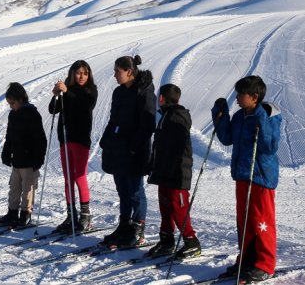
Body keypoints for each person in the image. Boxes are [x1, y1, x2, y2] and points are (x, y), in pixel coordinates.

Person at [212, 76, 281, 283]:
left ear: (254, 97)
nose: (237, 98)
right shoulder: (239, 116)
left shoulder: (269, 116)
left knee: (262, 221)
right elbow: (227, 138)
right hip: (242, 175)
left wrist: (260, 118)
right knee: (244, 221)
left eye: (241, 94)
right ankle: (247, 260)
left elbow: (270, 146)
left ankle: (265, 264)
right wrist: (220, 115)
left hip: (260, 177)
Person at [99, 55, 156, 247]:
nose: (115, 75)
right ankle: (124, 226)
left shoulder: (144, 92)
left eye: (117, 71)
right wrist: (106, 140)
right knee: (122, 189)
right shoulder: (119, 92)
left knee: (135, 190)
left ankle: (138, 229)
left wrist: (134, 147)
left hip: (135, 150)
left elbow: (148, 124)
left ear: (129, 72)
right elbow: (113, 119)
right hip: (118, 147)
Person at [147, 84, 201, 258]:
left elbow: (178, 148)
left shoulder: (176, 117)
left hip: (177, 172)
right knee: (165, 207)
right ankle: (166, 240)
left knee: (178, 208)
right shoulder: (166, 116)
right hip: (165, 171)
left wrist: (171, 168)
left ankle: (191, 241)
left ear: (162, 98)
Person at [49, 60, 98, 234]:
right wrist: (56, 94)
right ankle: (71, 215)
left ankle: (85, 216)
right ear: (72, 74)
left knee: (79, 176)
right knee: (68, 178)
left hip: (80, 139)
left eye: (85, 73)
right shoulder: (67, 90)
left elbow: (86, 104)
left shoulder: (90, 90)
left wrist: (67, 91)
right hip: (65, 138)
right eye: (78, 73)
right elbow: (52, 109)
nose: (82, 76)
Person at [0, 82, 47, 228]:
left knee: (27, 189)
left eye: (13, 103)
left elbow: (40, 139)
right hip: (17, 160)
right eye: (9, 103)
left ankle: (25, 213)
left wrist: (39, 158)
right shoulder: (13, 115)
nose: (11, 106)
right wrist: (6, 152)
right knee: (14, 188)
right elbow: (9, 136)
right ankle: (12, 212)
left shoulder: (32, 114)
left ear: (21, 99)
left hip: (29, 161)